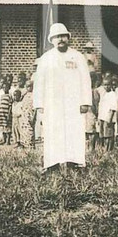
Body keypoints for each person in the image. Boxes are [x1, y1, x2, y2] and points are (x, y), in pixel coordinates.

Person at [34, 23, 93, 172]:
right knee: (53, 131)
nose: (60, 39)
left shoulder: (77, 56)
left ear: (68, 38)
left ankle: (75, 162)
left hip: (74, 102)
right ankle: (52, 164)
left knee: (74, 131)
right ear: (51, 40)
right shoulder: (46, 58)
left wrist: (85, 101)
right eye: (56, 37)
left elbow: (85, 80)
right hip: (52, 102)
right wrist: (39, 104)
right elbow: (39, 82)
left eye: (63, 36)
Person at [97, 74, 118, 152]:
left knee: (109, 135)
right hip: (103, 117)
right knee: (103, 134)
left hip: (108, 118)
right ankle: (105, 149)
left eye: (108, 85)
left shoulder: (113, 94)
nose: (106, 87)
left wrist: (109, 119)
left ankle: (109, 149)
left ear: (111, 85)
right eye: (105, 85)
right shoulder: (104, 94)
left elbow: (113, 108)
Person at [0, 75, 14, 146]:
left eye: (6, 88)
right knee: (2, 126)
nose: (5, 89)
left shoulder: (9, 96)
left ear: (9, 88)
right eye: (4, 88)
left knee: (7, 127)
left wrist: (9, 113)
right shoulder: (2, 95)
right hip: (1, 113)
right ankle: (3, 139)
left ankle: (8, 141)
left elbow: (10, 105)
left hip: (6, 114)